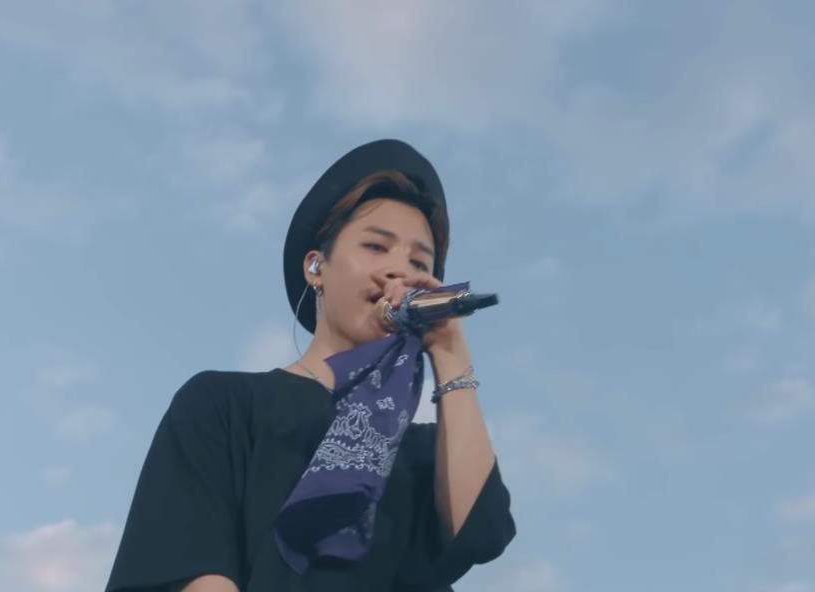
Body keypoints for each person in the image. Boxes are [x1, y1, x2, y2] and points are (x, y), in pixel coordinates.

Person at [104, 139, 516, 592]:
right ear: (316, 266)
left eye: (419, 261)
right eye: (376, 247)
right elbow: (188, 563)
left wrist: (450, 350)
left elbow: (480, 532)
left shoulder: (424, 449)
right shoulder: (224, 403)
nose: (399, 271)